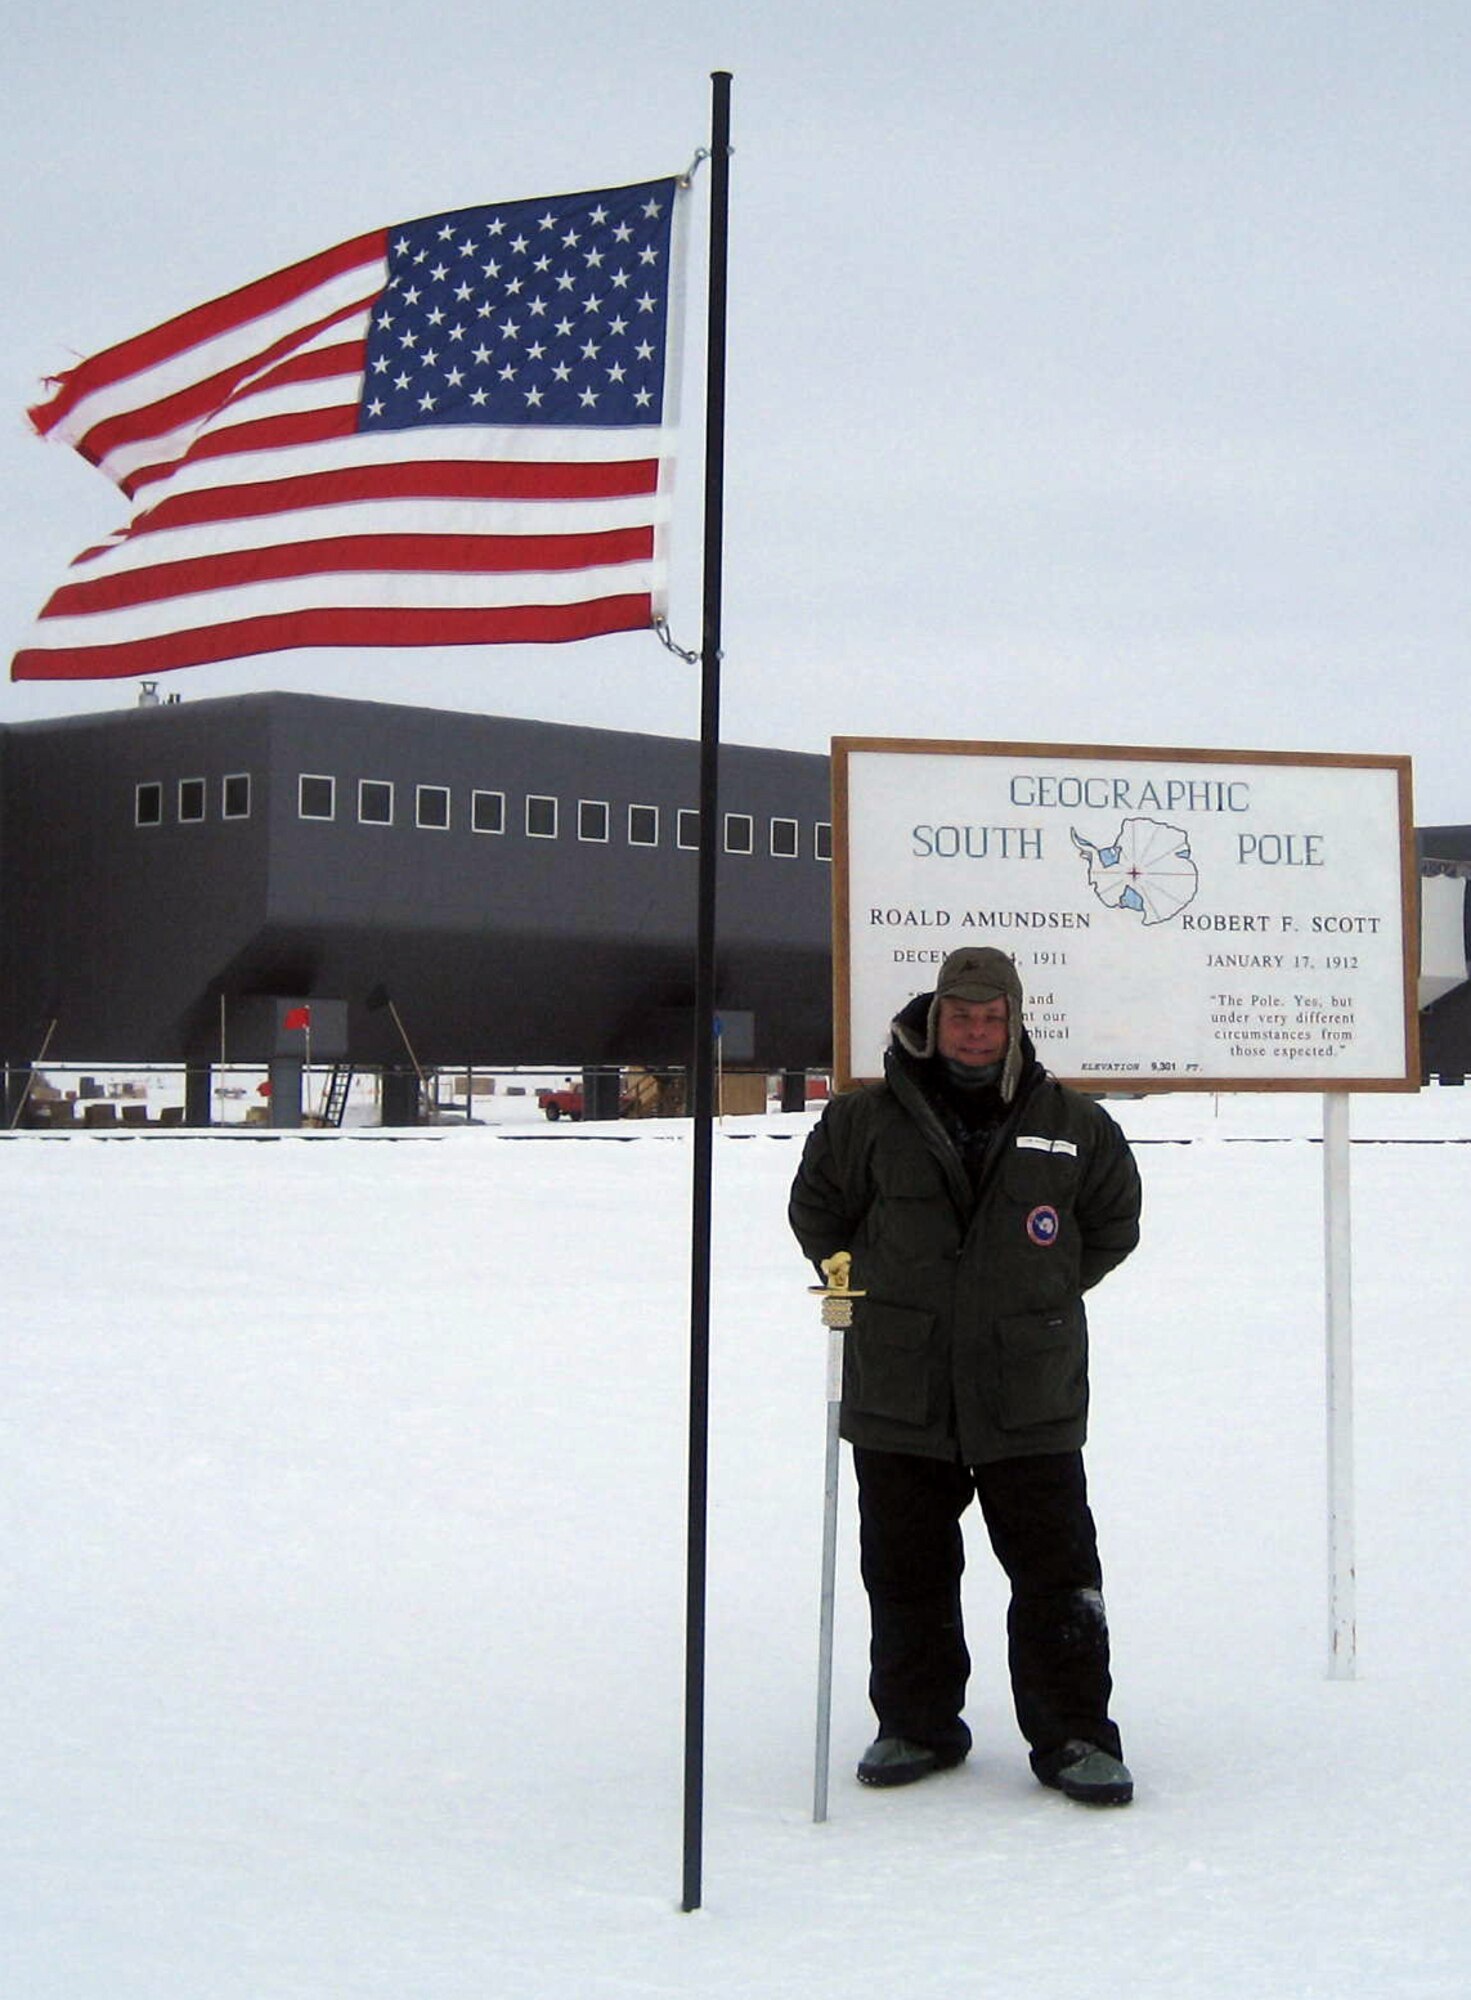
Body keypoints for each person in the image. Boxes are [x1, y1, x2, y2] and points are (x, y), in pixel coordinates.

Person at [789, 945, 1142, 1805]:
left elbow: (1111, 1224)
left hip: (1028, 1388)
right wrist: (885, 1289)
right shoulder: (864, 1119)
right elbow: (817, 1210)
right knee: (905, 1567)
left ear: (1014, 1021)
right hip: (899, 1385)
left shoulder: (1072, 1120)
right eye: (961, 1015)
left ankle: (1073, 1739)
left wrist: (1028, 1297)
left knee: (1056, 1572)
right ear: (933, 1017)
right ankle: (915, 1725)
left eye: (991, 1017)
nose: (976, 1031)